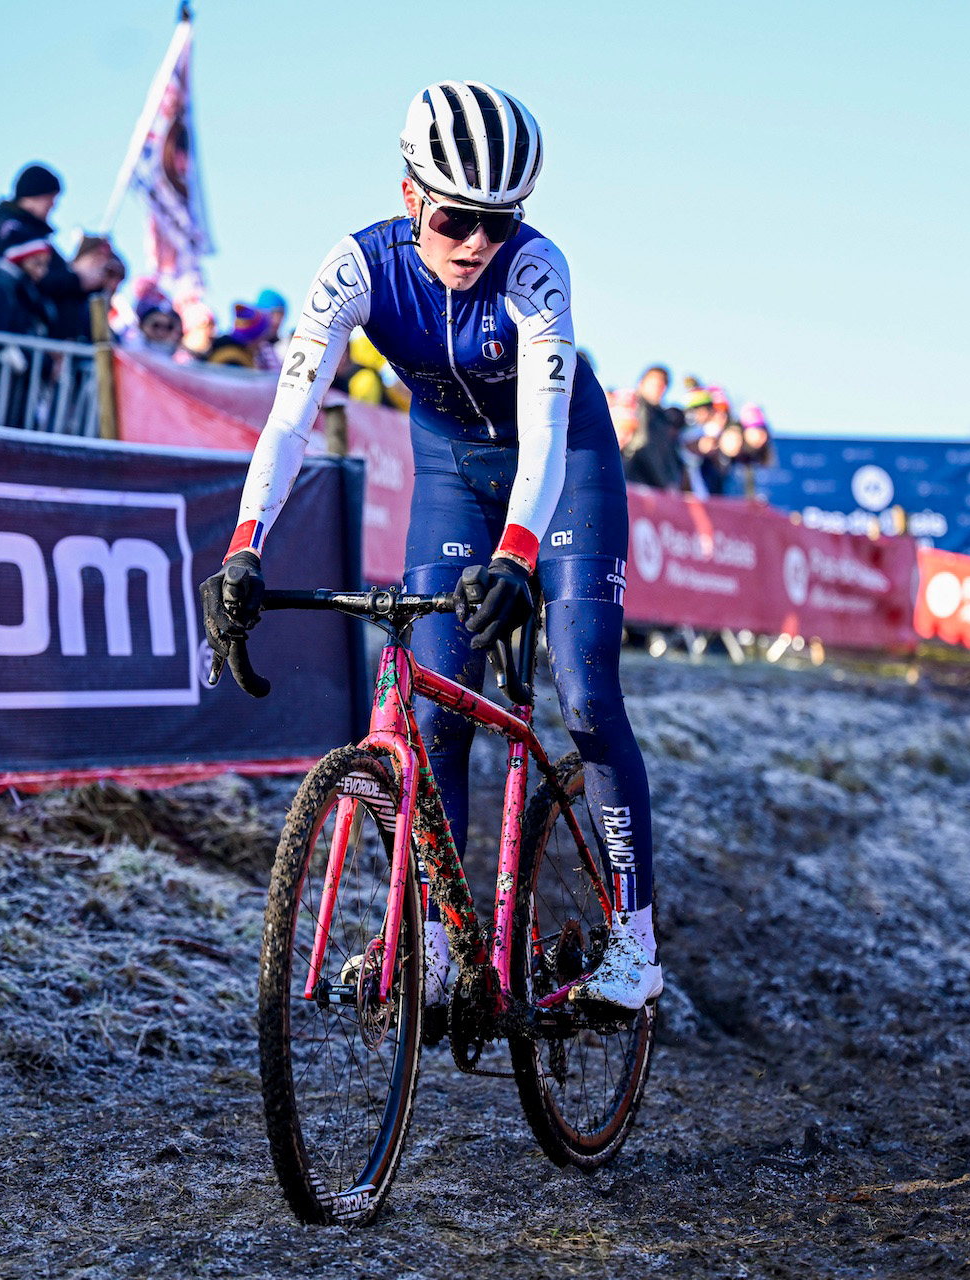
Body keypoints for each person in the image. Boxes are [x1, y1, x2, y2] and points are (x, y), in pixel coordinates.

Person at [201, 80, 661, 1011]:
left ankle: (635, 943)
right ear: (410, 193)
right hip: (451, 469)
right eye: (456, 220)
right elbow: (289, 422)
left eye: (499, 221)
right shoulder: (356, 266)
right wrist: (245, 547)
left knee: (582, 690)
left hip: (564, 463)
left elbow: (543, 435)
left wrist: (519, 557)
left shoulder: (537, 272)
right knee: (433, 704)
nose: (477, 245)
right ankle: (445, 945)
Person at [0, 163, 86, 340]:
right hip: (20, 327)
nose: (53, 205)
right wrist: (79, 279)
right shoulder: (10, 228)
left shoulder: (37, 234)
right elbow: (42, 279)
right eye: (50, 197)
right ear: (36, 194)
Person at [0, 237, 53, 336]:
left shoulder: (28, 292)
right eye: (36, 263)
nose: (41, 272)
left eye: (45, 265)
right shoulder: (0, 288)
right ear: (20, 259)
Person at [624, 362, 683, 490]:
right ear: (642, 384)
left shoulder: (662, 417)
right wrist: (665, 483)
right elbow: (643, 445)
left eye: (662, 386)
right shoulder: (636, 407)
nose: (658, 389)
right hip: (636, 483)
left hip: (654, 489)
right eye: (654, 384)